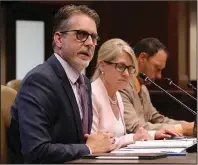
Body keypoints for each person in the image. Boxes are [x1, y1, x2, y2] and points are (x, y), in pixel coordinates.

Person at [8, 5, 116, 163]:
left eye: (94, 37)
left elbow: (79, 140)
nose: (90, 43)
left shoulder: (84, 82)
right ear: (59, 39)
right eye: (81, 35)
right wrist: (89, 148)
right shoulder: (39, 80)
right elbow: (36, 150)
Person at [119, 38, 195, 138]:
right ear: (142, 58)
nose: (159, 76)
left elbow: (157, 119)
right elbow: (134, 128)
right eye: (157, 68)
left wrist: (189, 125)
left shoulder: (143, 89)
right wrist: (183, 129)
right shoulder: (121, 87)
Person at [91, 38, 157, 149]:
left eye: (130, 68)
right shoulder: (92, 95)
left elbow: (120, 138)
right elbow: (93, 144)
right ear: (102, 65)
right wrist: (132, 138)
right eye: (120, 66)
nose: (126, 73)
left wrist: (137, 136)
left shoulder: (117, 96)